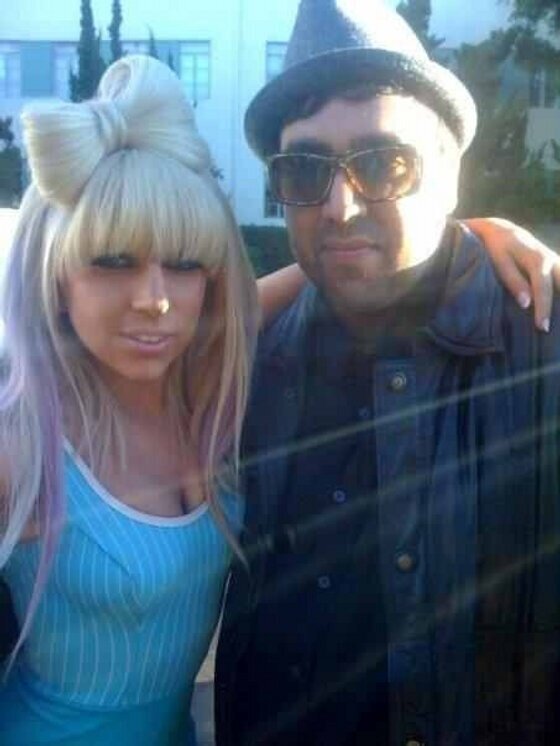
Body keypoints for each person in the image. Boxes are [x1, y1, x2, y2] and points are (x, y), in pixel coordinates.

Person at [215, 2, 560, 744]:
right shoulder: (251, 363)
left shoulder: (542, 351)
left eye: (383, 163)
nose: (339, 207)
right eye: (304, 170)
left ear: (450, 176)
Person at [0, 53, 262, 745]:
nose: (155, 300)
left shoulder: (206, 390)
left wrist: (469, 241)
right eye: (113, 262)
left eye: (184, 263)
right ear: (56, 277)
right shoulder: (21, 439)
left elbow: (279, 298)